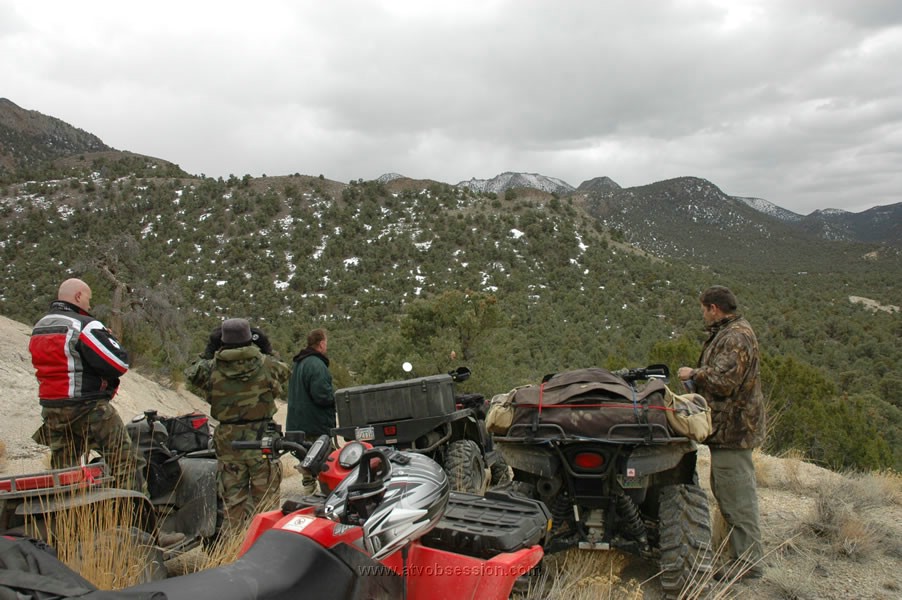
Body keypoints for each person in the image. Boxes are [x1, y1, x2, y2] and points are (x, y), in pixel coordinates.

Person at [678, 285, 766, 581]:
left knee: (737, 497)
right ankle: (736, 556)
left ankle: (747, 564)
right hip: (730, 429)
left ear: (714, 308)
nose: (702, 315)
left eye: (703, 309)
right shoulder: (732, 332)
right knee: (728, 493)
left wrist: (694, 374)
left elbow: (724, 381)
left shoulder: (735, 337)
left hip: (735, 430)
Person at [28, 278, 146, 493]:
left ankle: (65, 518)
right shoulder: (84, 325)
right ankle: (132, 514)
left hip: (52, 409)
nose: (89, 306)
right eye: (88, 300)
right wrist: (110, 339)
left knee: (63, 470)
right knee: (124, 459)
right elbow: (118, 363)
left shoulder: (40, 326)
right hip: (87, 407)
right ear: (79, 296)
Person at [185, 318, 290, 531]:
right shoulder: (265, 364)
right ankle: (266, 547)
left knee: (233, 502)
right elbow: (285, 370)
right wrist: (267, 348)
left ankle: (234, 550)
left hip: (228, 441)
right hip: (262, 437)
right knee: (267, 501)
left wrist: (209, 349)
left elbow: (192, 373)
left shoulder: (211, 368)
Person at [286, 328, 335, 494]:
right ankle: (329, 492)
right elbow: (322, 395)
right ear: (321, 344)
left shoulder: (299, 363)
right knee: (326, 458)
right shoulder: (316, 365)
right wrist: (335, 399)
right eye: (326, 342)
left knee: (307, 456)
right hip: (315, 423)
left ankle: (308, 486)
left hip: (297, 422)